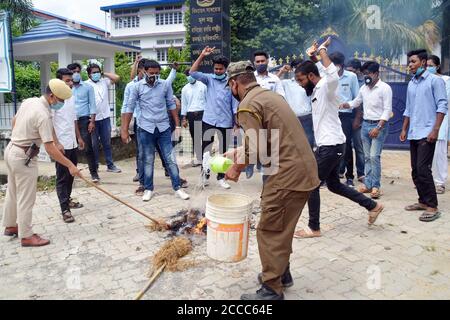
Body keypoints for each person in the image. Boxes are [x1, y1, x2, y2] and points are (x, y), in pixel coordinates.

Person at [224, 61, 320, 300]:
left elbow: (256, 148)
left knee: (269, 230)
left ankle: (271, 290)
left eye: (230, 86)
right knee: (282, 227)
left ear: (234, 83)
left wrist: (236, 169)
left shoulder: (247, 105)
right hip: (303, 170)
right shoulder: (269, 96)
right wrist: (236, 153)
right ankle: (281, 273)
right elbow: (263, 138)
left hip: (286, 175)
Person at [294, 38, 384, 239]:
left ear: (310, 76)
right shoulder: (318, 87)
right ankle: (373, 206)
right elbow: (320, 70)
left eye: (301, 80)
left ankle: (313, 227)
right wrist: (313, 55)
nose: (300, 85)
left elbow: (330, 73)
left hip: (331, 145)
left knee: (311, 184)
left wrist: (323, 50)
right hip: (330, 144)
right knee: (334, 184)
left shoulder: (327, 86)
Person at [2, 79, 81, 247]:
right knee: (26, 197)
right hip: (24, 157)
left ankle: (10, 226)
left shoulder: (30, 101)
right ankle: (26, 235)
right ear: (52, 96)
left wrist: (23, 135)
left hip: (11, 149)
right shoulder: (43, 114)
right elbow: (50, 149)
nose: (62, 104)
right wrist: (70, 165)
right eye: (61, 101)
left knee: (13, 191)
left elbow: (14, 121)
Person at [121, 60, 190, 202]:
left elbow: (171, 105)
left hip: (164, 127)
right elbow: (129, 108)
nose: (154, 76)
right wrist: (124, 130)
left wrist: (177, 125)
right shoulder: (136, 87)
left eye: (157, 73)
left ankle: (177, 188)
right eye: (151, 73)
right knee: (148, 160)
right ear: (144, 71)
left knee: (170, 158)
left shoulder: (165, 85)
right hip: (145, 128)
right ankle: (148, 189)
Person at [401, 49, 448, 222]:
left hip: (428, 132)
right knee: (415, 170)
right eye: (409, 62)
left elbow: (442, 106)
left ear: (422, 62)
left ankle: (432, 206)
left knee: (423, 169)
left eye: (413, 62)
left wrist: (435, 130)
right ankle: (422, 201)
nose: (410, 65)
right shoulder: (412, 83)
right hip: (414, 132)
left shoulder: (435, 81)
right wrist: (404, 129)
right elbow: (408, 109)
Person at [340, 61, 393, 199]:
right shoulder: (364, 88)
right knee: (367, 156)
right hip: (366, 125)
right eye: (364, 74)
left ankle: (376, 186)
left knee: (374, 156)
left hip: (378, 126)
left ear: (376, 73)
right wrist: (345, 104)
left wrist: (378, 127)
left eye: (368, 74)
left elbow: (387, 110)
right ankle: (368, 185)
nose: (366, 76)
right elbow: (356, 102)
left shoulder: (385, 88)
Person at [190, 46, 238, 189]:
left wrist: (236, 122)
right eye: (215, 69)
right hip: (209, 120)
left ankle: (221, 177)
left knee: (223, 151)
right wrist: (202, 55)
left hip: (225, 121)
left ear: (225, 69)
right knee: (205, 150)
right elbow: (192, 72)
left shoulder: (231, 82)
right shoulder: (209, 79)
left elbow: (235, 103)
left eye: (220, 69)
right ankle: (205, 175)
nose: (217, 71)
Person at [52, 68, 85, 223]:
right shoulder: (53, 100)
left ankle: (68, 199)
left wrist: (79, 137)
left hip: (71, 142)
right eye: (67, 81)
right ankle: (64, 209)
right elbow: (49, 123)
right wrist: (56, 143)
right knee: (62, 177)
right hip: (61, 145)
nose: (71, 83)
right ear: (59, 82)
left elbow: (73, 120)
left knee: (71, 174)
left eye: (71, 80)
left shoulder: (70, 97)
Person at [329, 52, 364, 188]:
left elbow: (357, 99)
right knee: (330, 145)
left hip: (346, 115)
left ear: (342, 65)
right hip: (331, 115)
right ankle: (332, 174)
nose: (334, 68)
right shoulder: (328, 77)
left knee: (347, 146)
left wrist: (357, 118)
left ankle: (350, 176)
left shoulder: (351, 77)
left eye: (336, 65)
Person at [86, 63, 122, 176]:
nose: (96, 74)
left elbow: (116, 78)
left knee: (107, 142)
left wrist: (103, 73)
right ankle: (95, 166)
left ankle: (110, 165)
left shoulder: (104, 81)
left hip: (105, 117)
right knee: (94, 144)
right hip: (92, 119)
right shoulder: (86, 85)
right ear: (89, 74)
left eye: (98, 72)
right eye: (94, 72)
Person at [67, 63, 98, 182]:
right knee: (70, 148)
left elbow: (93, 105)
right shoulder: (66, 88)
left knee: (88, 148)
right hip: (70, 121)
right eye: (73, 71)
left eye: (78, 71)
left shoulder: (87, 87)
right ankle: (71, 172)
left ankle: (94, 173)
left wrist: (92, 122)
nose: (76, 74)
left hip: (84, 120)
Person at [122, 57, 149, 195]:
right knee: (141, 152)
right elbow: (125, 107)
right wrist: (124, 129)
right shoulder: (131, 86)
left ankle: (171, 174)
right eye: (146, 70)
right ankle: (142, 178)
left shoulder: (153, 82)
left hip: (154, 121)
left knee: (162, 151)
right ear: (141, 70)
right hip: (139, 121)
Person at [277, 59, 315, 148]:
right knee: (293, 146)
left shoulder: (309, 83)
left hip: (307, 117)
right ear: (293, 69)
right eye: (296, 67)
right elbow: (273, 82)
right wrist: (282, 71)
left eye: (301, 67)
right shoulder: (287, 83)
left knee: (308, 145)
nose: (299, 70)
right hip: (292, 118)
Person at [427, 55, 450, 194]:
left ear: (437, 66)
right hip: (426, 120)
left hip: (441, 119)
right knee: (426, 152)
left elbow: (444, 102)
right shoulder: (424, 80)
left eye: (430, 65)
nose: (428, 68)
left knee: (439, 152)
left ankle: (440, 182)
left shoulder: (446, 80)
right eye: (426, 65)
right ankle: (426, 180)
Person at [181, 69, 207, 166]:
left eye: (190, 75)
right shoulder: (185, 89)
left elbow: (207, 99)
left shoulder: (203, 86)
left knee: (205, 136)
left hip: (202, 112)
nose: (189, 77)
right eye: (187, 75)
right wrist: (184, 118)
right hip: (191, 114)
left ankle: (206, 157)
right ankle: (199, 158)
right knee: (195, 137)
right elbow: (184, 104)